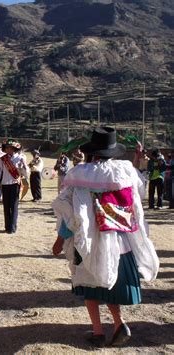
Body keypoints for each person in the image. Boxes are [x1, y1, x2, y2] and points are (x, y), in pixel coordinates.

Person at [52, 127, 159, 348]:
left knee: (90, 288)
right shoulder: (124, 172)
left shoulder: (80, 175)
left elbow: (68, 210)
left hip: (91, 242)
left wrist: (61, 239)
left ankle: (99, 332)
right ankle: (119, 324)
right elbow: (138, 196)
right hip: (120, 243)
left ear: (91, 151)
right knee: (109, 289)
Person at [0, 139, 25, 234]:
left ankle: (13, 227)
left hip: (15, 184)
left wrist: (23, 169)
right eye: (6, 148)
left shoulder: (20, 158)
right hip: (5, 184)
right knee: (6, 206)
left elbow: (26, 173)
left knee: (14, 206)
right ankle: (7, 226)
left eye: (9, 148)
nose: (7, 149)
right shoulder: (2, 159)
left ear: (14, 149)